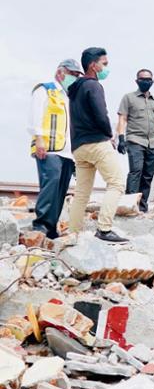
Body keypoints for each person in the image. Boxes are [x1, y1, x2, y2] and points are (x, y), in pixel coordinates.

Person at [67, 47, 128, 243]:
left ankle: (73, 232)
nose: (106, 68)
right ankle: (104, 228)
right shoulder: (93, 86)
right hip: (96, 142)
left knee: (82, 193)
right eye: (104, 64)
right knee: (117, 182)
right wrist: (110, 135)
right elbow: (101, 115)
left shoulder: (74, 89)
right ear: (93, 65)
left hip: (79, 147)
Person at [28, 59, 83, 239]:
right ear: (60, 72)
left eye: (76, 75)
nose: (74, 78)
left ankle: (51, 229)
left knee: (60, 190)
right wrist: (39, 139)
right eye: (72, 74)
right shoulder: (45, 89)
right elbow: (36, 115)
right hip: (49, 148)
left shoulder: (69, 96)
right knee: (50, 186)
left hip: (67, 151)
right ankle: (41, 226)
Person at [116, 69, 154, 212]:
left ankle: (142, 207)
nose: (145, 82)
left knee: (148, 176)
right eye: (142, 79)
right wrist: (121, 138)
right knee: (136, 172)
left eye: (148, 79)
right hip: (134, 141)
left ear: (152, 81)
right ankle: (129, 205)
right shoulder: (129, 98)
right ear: (137, 81)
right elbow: (122, 119)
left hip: (152, 142)